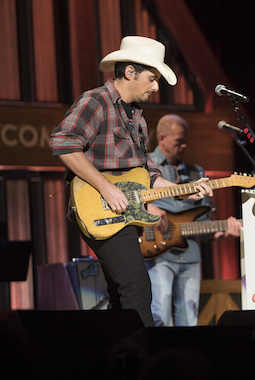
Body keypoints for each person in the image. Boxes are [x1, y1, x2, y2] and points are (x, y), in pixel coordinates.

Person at [50, 36, 213, 327]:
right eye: (152, 78)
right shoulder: (96, 100)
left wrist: (183, 192)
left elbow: (147, 174)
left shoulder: (136, 116)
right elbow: (63, 144)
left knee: (120, 294)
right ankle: (146, 363)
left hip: (125, 213)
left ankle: (119, 360)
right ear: (129, 72)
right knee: (137, 287)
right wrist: (106, 187)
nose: (155, 87)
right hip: (100, 207)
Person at [144, 114, 241, 326]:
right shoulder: (145, 166)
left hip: (190, 258)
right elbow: (126, 199)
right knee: (158, 316)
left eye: (186, 139)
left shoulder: (196, 172)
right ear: (162, 138)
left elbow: (205, 222)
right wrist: (149, 210)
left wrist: (223, 233)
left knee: (189, 322)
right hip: (156, 254)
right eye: (179, 140)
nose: (184, 145)